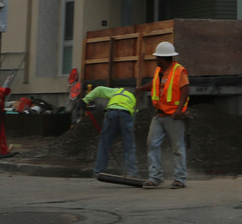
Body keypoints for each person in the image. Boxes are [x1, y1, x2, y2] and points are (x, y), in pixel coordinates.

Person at [141, 41, 189, 189]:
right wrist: (141, 88)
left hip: (173, 116)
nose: (156, 60)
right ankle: (155, 177)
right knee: (152, 144)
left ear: (163, 58)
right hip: (159, 115)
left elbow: (186, 89)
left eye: (157, 58)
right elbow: (155, 83)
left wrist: (179, 110)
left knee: (177, 147)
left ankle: (180, 179)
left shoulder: (178, 71)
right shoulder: (159, 71)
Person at [81, 82, 138, 179]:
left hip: (111, 113)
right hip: (126, 115)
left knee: (104, 144)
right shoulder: (133, 100)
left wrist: (85, 100)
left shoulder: (118, 91)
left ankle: (98, 171)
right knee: (129, 145)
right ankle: (131, 173)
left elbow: (99, 89)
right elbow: (131, 119)